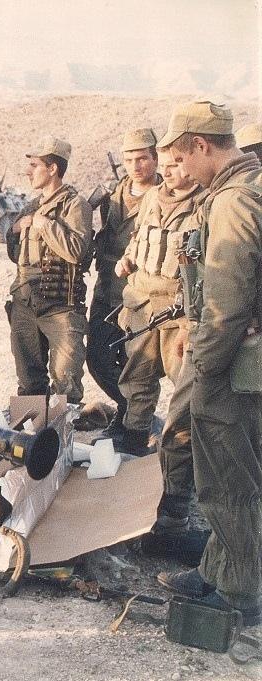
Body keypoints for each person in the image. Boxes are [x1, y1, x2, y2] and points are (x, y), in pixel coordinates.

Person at [154, 100, 262, 626]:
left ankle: (238, 592)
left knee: (227, 481)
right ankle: (218, 569)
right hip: (243, 361)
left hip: (232, 367)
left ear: (201, 145)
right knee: (238, 472)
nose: (179, 170)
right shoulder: (246, 188)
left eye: (181, 158)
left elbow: (226, 301)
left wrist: (205, 369)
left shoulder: (235, 201)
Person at [112, 148, 204, 457]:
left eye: (174, 166)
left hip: (178, 311)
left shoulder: (205, 202)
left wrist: (190, 321)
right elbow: (137, 238)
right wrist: (127, 259)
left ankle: (184, 454)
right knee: (137, 380)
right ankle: (135, 444)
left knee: (185, 386)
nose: (167, 172)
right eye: (163, 166)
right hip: (141, 304)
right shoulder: (152, 197)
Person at [5, 136, 93, 403]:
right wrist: (16, 229)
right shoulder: (31, 206)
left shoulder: (76, 205)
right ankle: (32, 429)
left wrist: (43, 224)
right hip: (24, 302)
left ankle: (63, 430)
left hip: (60, 306)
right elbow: (15, 255)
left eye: (34, 165)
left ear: (53, 168)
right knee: (28, 380)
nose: (28, 171)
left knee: (66, 383)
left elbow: (76, 250)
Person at [86, 129, 160, 436]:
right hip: (106, 291)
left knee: (136, 366)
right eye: (129, 160)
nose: (135, 166)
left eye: (142, 158)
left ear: (156, 158)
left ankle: (134, 422)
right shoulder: (111, 195)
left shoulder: (166, 196)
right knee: (97, 359)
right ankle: (130, 410)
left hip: (140, 297)